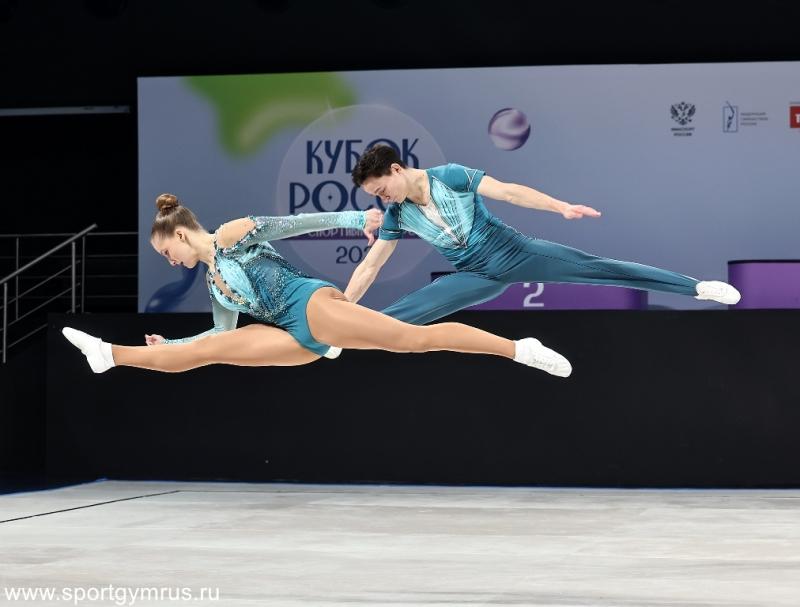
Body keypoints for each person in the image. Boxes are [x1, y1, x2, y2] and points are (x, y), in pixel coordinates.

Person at [62, 193, 573, 377]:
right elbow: (219, 333)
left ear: (179, 235)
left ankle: (519, 348)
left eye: (165, 252)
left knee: (413, 341)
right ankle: (110, 355)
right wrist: (176, 342)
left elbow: (291, 225)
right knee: (209, 350)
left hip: (308, 304)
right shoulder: (215, 286)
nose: (169, 261)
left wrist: (354, 218)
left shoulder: (231, 236)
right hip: (294, 337)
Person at [344, 144, 741, 324]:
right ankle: (339, 330)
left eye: (382, 189)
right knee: (405, 312)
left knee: (599, 267)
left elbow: (509, 192)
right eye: (376, 196)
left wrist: (559, 206)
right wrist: (345, 305)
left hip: (513, 253)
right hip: (473, 275)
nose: (383, 198)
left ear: (396, 170)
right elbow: (370, 266)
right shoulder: (397, 215)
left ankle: (696, 287)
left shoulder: (449, 176)